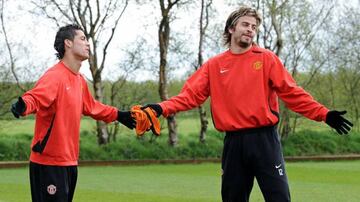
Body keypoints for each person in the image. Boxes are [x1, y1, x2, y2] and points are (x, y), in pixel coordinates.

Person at [141, 6, 353, 202]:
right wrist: (161, 108)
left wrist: (324, 114)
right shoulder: (214, 66)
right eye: (245, 24)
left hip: (265, 141)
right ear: (231, 28)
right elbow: (190, 96)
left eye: (254, 27)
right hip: (233, 144)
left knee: (279, 198)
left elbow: (292, 93)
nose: (251, 30)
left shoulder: (267, 59)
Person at [10, 24, 135, 202]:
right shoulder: (55, 76)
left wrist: (119, 115)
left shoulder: (79, 80)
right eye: (83, 39)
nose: (87, 44)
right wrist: (23, 106)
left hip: (69, 162)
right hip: (48, 164)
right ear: (68, 43)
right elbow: (35, 97)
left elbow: (92, 107)